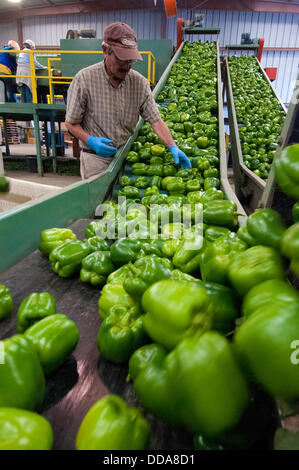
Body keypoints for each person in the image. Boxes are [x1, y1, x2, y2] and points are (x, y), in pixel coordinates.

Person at [65, 22, 191, 180]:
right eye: (121, 60)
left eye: (131, 61)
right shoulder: (84, 80)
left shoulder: (140, 83)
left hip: (124, 157)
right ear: (105, 50)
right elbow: (71, 123)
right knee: (99, 204)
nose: (127, 66)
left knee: (122, 202)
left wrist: (173, 146)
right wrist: (90, 141)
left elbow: (156, 120)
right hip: (95, 160)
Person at [16, 39, 45, 103]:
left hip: (19, 73)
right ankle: (30, 107)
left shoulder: (22, 52)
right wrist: (42, 67)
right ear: (31, 46)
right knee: (28, 89)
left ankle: (24, 107)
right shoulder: (30, 52)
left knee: (23, 90)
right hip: (27, 73)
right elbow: (34, 62)